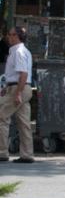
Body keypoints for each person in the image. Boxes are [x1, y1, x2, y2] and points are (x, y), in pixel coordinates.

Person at [0, 26, 34, 163]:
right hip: (21, 88)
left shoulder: (18, 52)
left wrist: (18, 93)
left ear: (17, 36)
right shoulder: (24, 51)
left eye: (11, 34)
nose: (8, 36)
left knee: (1, 117)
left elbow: (23, 74)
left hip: (18, 88)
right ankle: (27, 154)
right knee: (24, 123)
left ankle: (2, 152)